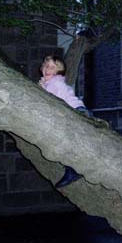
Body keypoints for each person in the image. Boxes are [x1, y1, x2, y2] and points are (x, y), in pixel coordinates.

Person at [39, 55, 91, 187]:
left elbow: (50, 100)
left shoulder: (55, 83)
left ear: (59, 70)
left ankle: (73, 170)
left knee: (67, 142)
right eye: (45, 66)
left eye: (51, 67)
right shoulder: (52, 82)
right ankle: (72, 169)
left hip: (77, 112)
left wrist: (42, 88)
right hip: (77, 112)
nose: (47, 69)